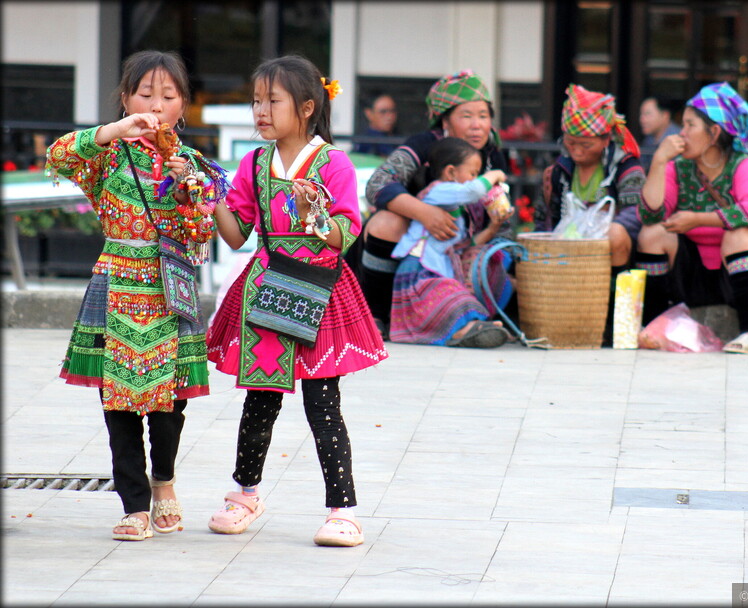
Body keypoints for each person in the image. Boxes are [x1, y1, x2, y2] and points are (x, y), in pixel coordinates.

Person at [45, 50, 229, 541]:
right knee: (118, 402)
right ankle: (133, 502)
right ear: (126, 99)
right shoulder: (106, 154)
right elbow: (59, 155)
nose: (156, 105)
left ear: (183, 106)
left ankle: (163, 480)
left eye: (168, 96)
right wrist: (111, 131)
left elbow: (202, 232)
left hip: (170, 286)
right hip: (117, 279)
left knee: (169, 404)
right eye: (145, 94)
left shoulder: (194, 164)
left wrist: (190, 190)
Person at [206, 54, 387, 547]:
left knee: (323, 404)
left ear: (307, 107)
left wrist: (315, 213)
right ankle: (245, 494)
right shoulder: (255, 163)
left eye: (272, 101)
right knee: (259, 398)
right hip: (266, 284)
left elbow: (344, 234)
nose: (260, 111)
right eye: (256, 101)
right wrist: (208, 198)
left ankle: (342, 509)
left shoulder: (333, 163)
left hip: (316, 286)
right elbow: (236, 233)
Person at [350, 69, 510, 339]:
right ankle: (375, 316)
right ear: (444, 121)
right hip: (417, 251)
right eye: (466, 116)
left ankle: (468, 321)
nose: (477, 125)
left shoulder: (493, 155)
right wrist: (425, 213)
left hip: (461, 248)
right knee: (387, 222)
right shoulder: (424, 145)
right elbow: (378, 183)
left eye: (483, 116)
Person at [635, 81, 748, 354]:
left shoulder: (743, 164)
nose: (681, 133)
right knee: (652, 235)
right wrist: (659, 163)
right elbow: (650, 215)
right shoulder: (678, 167)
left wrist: (697, 220)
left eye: (689, 125)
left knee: (738, 234)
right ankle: (654, 325)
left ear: (714, 132)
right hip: (698, 271)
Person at [535, 84, 646, 345]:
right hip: (567, 254)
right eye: (571, 143)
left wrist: (600, 228)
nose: (577, 150)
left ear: (606, 140)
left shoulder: (626, 168)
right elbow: (544, 218)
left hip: (609, 251)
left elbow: (636, 212)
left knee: (616, 233)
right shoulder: (559, 172)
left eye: (585, 144)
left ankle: (609, 318)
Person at [390, 136, 512, 347]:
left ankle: (472, 327)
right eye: (473, 174)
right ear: (450, 173)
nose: (477, 179)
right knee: (449, 294)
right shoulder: (439, 190)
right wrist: (495, 174)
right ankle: (462, 332)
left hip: (439, 271)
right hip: (420, 270)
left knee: (458, 293)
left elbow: (467, 245)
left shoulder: (455, 206)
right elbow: (473, 191)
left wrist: (493, 226)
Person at [639, 95, 681, 173]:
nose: (642, 119)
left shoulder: (678, 138)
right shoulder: (648, 139)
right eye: (641, 114)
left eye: (647, 114)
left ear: (665, 116)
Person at [353, 91, 398, 157]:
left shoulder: (397, 140)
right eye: (383, 112)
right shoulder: (365, 143)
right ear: (369, 113)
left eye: (393, 111)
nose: (389, 116)